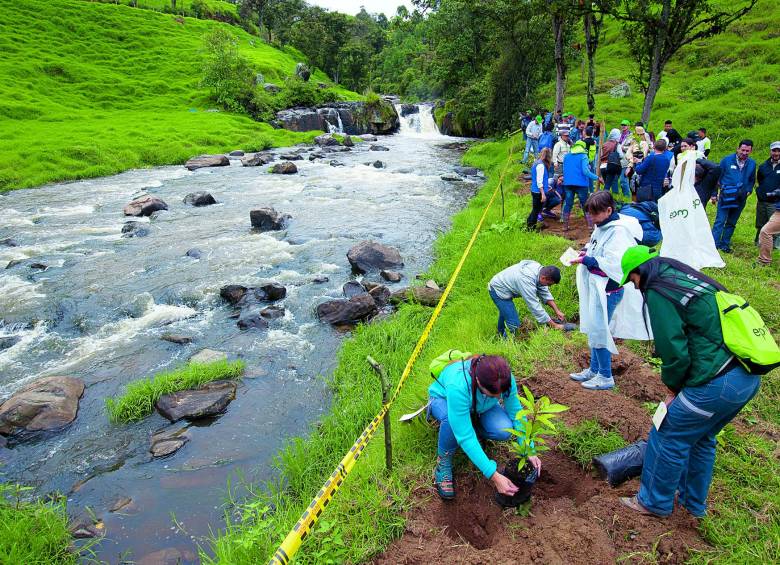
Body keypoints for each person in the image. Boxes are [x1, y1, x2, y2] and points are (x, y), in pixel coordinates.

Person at [617, 247, 761, 517]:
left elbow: (674, 349)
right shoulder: (690, 280)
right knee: (701, 438)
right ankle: (692, 505)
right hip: (745, 378)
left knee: (667, 433)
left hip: (717, 383)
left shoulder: (660, 289)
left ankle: (652, 502)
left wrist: (672, 390)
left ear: (641, 272)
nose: (635, 287)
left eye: (632, 280)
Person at [428, 354, 542, 499]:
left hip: (478, 407)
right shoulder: (458, 385)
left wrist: (528, 448)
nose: (498, 397)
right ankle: (443, 461)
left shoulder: (504, 378)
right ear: (478, 381)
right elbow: (466, 437)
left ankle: (468, 424)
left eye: (499, 395)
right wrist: (494, 475)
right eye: (494, 395)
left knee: (503, 429)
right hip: (443, 399)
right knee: (453, 423)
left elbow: (516, 413)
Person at [570, 191, 643, 390]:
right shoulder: (602, 226)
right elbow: (596, 247)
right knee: (595, 328)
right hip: (598, 288)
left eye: (595, 214)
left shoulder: (618, 231)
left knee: (600, 331)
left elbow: (615, 264)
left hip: (609, 290)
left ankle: (605, 375)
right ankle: (594, 369)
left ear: (609, 210)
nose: (592, 219)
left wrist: (588, 260)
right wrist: (586, 252)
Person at [488, 261, 566, 336]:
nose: (548, 286)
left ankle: (500, 333)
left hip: (504, 284)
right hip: (498, 290)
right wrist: (554, 325)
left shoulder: (539, 271)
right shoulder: (526, 280)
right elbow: (534, 306)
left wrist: (557, 311)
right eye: (549, 284)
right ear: (543, 278)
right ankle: (507, 343)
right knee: (514, 324)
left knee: (506, 313)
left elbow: (544, 292)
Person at [712, 139, 757, 253]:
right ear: (738, 149)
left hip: (741, 197)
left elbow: (752, 179)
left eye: (747, 151)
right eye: (743, 150)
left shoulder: (752, 163)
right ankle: (714, 245)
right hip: (726, 196)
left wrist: (749, 190)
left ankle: (724, 244)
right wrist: (714, 193)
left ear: (751, 151)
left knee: (732, 222)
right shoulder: (726, 160)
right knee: (720, 221)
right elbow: (717, 177)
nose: (745, 153)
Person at [562, 140, 601, 230]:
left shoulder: (566, 156)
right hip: (581, 184)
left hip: (568, 183)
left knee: (568, 204)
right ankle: (590, 226)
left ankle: (565, 226)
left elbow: (565, 169)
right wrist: (597, 177)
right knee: (585, 204)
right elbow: (585, 171)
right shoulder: (583, 156)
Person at [755, 141, 780, 248]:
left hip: (776, 203)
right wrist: (760, 193)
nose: (777, 153)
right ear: (770, 151)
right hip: (762, 201)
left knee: (773, 225)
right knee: (760, 223)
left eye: (779, 151)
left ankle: (774, 246)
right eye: (774, 150)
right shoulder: (763, 166)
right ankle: (758, 242)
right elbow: (760, 180)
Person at [527, 147, 554, 229]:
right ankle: (531, 227)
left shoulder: (537, 163)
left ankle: (529, 224)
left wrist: (546, 186)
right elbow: (539, 181)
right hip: (538, 192)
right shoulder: (541, 166)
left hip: (536, 189)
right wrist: (543, 194)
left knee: (535, 210)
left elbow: (540, 179)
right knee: (536, 210)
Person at [600, 128, 622, 196]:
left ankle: (614, 197)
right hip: (611, 166)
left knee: (611, 182)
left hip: (602, 167)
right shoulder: (617, 144)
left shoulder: (604, 144)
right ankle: (604, 199)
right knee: (607, 185)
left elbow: (601, 155)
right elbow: (621, 155)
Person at [618, 119, 635, 200]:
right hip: (617, 160)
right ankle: (618, 197)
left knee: (623, 180)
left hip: (626, 161)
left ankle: (627, 198)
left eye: (625, 125)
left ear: (628, 126)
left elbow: (632, 147)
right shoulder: (619, 134)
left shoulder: (631, 136)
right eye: (622, 125)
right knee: (616, 180)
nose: (623, 126)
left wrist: (622, 147)